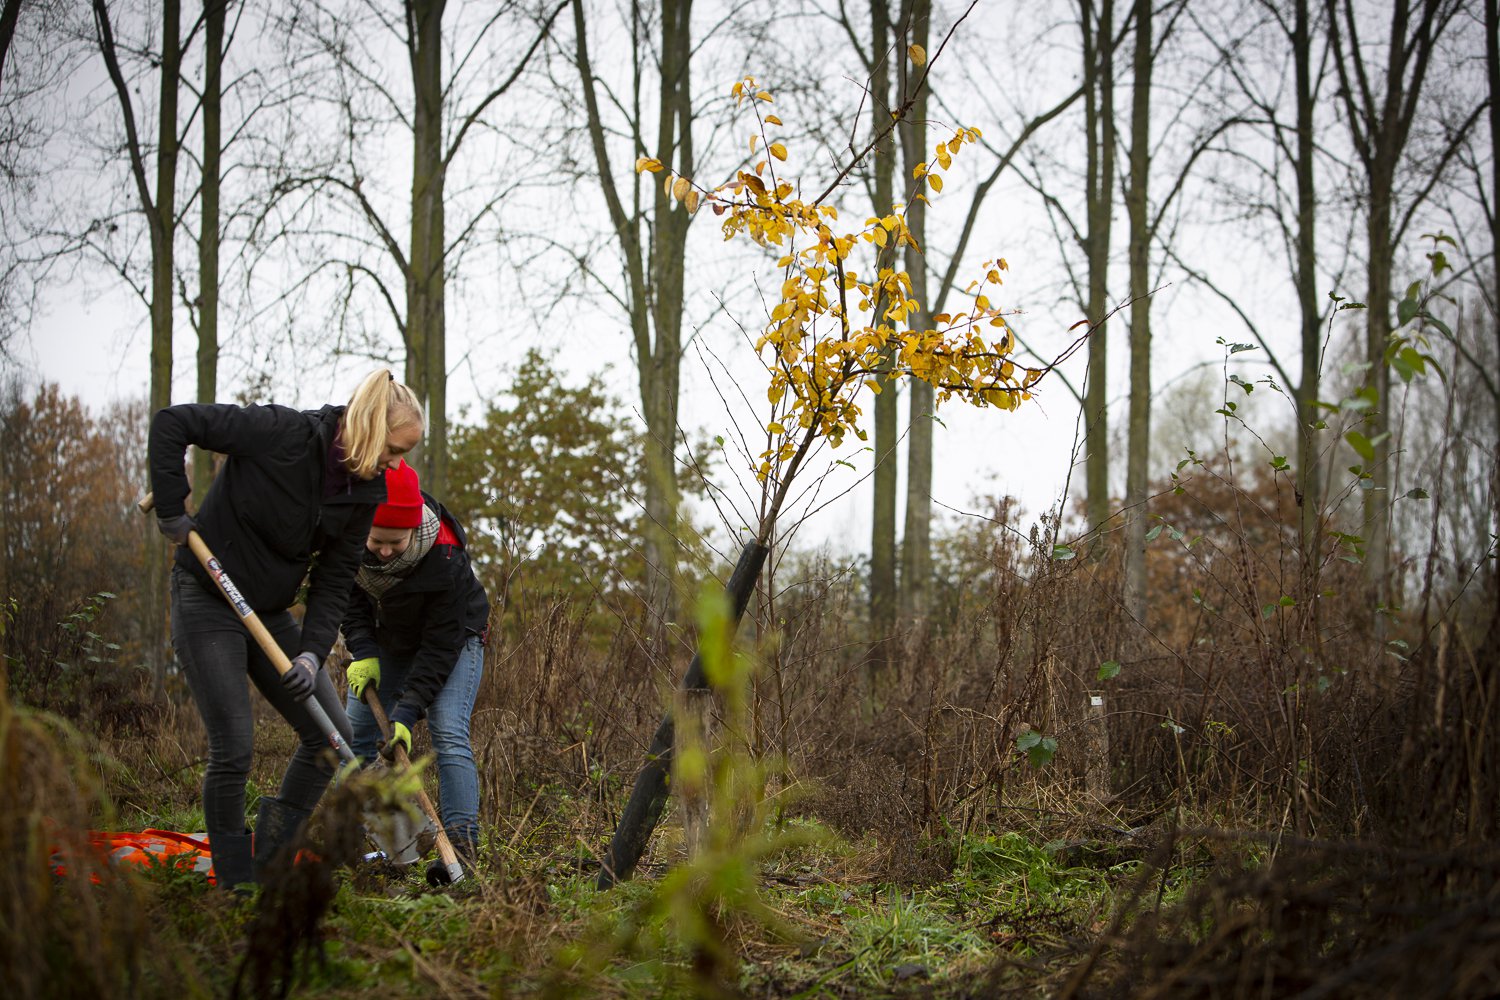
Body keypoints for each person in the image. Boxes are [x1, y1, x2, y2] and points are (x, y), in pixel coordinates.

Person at [148, 369, 424, 890]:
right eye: (394, 447)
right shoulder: (280, 433)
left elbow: (336, 579)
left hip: (270, 616)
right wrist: (170, 506)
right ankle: (234, 883)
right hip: (208, 600)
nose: (397, 462)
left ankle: (270, 858)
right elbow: (173, 422)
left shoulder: (366, 490)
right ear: (367, 427)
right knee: (233, 745)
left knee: (332, 735)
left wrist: (310, 655)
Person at [342, 459, 490, 873]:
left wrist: (406, 713)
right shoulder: (347, 537)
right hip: (390, 638)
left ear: (414, 530)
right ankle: (344, 843)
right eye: (377, 541)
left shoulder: (444, 557)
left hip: (454, 639)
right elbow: (348, 599)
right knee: (353, 735)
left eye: (396, 542)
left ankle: (461, 850)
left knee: (447, 729)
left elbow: (440, 646)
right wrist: (364, 650)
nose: (385, 551)